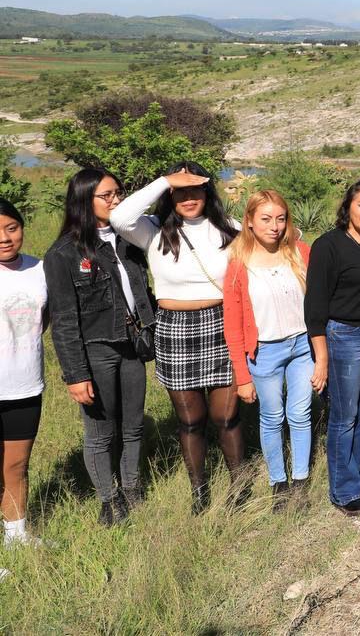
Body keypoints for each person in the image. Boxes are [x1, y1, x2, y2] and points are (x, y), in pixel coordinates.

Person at [110, 162, 244, 514]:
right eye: (179, 191)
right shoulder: (152, 230)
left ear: (207, 191)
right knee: (190, 420)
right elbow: (119, 217)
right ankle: (199, 491)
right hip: (174, 327)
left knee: (226, 416)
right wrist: (165, 179)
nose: (188, 198)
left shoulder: (230, 229)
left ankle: (238, 485)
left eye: (195, 189)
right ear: (169, 194)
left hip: (221, 324)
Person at [44, 169, 155, 526]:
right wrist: (76, 375)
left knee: (134, 426)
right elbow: (63, 320)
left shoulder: (129, 240)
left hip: (131, 346)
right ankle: (109, 500)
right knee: (100, 432)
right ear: (83, 200)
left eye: (118, 193)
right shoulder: (64, 253)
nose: (116, 201)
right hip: (97, 350)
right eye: (106, 196)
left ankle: (132, 489)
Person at [223, 190, 322, 512]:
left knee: (300, 413)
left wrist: (323, 356)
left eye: (280, 219)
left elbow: (321, 305)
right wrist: (242, 377)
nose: (274, 226)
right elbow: (233, 326)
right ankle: (278, 485)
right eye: (265, 219)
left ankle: (300, 483)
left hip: (302, 347)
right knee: (272, 417)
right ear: (249, 221)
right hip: (264, 352)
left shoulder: (300, 253)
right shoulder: (239, 267)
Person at [304, 179, 360, 517]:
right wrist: (321, 357)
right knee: (344, 416)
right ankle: (342, 490)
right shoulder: (328, 245)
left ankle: (358, 476)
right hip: (343, 336)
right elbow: (314, 306)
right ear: (348, 206)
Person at [0, 199, 47, 547]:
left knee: (17, 467)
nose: (4, 238)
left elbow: (45, 320)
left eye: (11, 228)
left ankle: (17, 538)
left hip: (24, 385)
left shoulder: (40, 269)